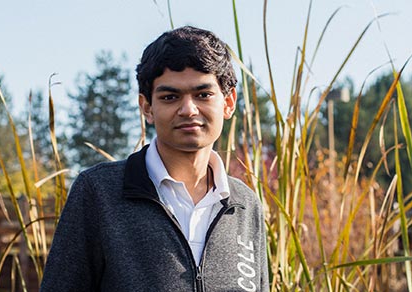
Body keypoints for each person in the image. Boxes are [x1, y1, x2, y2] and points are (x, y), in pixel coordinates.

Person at [40, 26, 269, 292]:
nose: (188, 109)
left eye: (203, 94)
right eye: (170, 97)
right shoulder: (98, 192)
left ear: (228, 103)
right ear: (147, 107)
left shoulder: (245, 204)